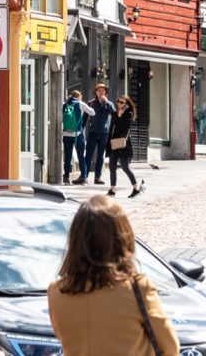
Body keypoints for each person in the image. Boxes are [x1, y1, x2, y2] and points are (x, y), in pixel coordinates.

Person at [47, 196, 180, 356]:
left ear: (76, 239)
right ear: (122, 237)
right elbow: (170, 347)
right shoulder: (138, 288)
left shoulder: (56, 291)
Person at [106, 96, 144, 198]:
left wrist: (120, 116)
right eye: (118, 101)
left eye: (122, 102)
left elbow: (124, 128)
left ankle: (136, 188)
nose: (119, 104)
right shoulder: (114, 114)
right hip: (114, 143)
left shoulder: (129, 114)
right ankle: (112, 190)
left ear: (126, 104)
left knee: (125, 167)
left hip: (124, 144)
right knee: (112, 167)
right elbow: (112, 129)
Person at [85, 84, 118, 184]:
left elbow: (114, 114)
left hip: (104, 133)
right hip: (93, 132)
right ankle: (84, 176)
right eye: (99, 90)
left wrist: (107, 102)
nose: (101, 92)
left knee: (100, 156)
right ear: (96, 92)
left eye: (103, 91)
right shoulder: (91, 103)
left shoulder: (109, 104)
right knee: (88, 155)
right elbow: (85, 117)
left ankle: (98, 177)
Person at [63, 90, 94, 185]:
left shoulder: (64, 104)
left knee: (67, 157)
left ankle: (66, 178)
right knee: (81, 157)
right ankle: (84, 178)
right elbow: (92, 112)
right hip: (78, 134)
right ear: (79, 96)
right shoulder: (79, 103)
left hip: (66, 134)